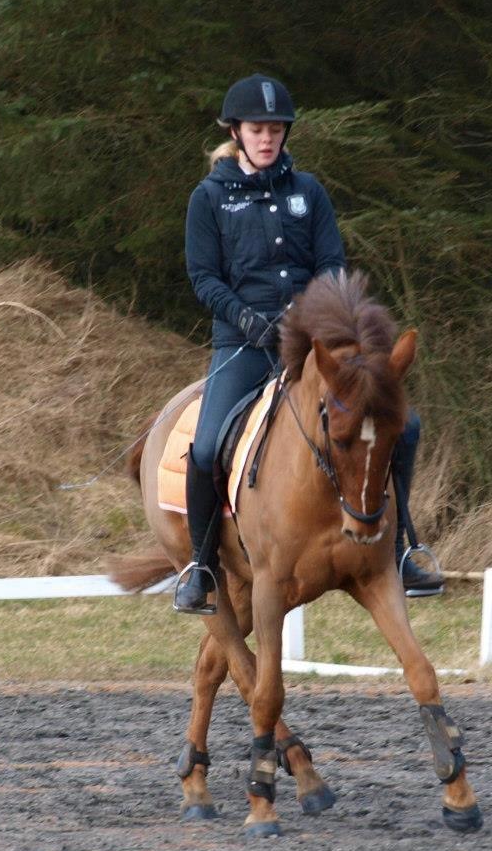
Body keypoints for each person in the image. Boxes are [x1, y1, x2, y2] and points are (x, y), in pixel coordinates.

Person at [174, 73, 441, 613]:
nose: (267, 138)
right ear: (236, 131)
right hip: (243, 345)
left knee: (403, 424)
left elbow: (331, 265)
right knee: (204, 449)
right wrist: (248, 321)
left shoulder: (308, 191)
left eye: (275, 129)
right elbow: (204, 278)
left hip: (316, 342)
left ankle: (403, 546)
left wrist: (308, 317)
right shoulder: (209, 198)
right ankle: (201, 565)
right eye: (257, 129)